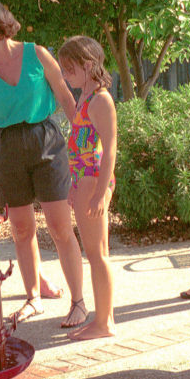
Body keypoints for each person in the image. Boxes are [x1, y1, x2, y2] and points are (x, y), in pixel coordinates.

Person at [0, 0, 86, 328]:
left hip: (46, 140)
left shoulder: (37, 54)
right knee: (21, 229)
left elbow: (66, 99)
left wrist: (86, 146)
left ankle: (78, 302)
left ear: (2, 28)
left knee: (60, 228)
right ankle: (33, 298)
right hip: (7, 147)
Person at [57, 35, 117, 340]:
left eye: (69, 70)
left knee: (97, 253)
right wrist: (74, 186)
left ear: (89, 65)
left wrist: (99, 192)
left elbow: (110, 149)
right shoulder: (85, 97)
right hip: (85, 181)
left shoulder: (100, 100)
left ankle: (104, 322)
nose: (65, 76)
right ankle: (102, 319)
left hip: (94, 180)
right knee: (94, 252)